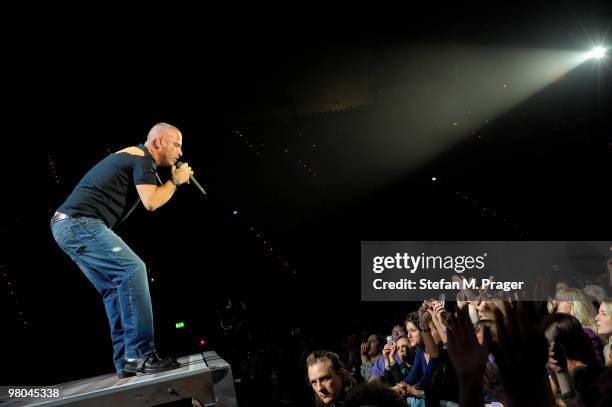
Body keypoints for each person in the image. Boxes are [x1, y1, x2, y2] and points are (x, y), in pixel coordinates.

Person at [50, 123, 193, 378]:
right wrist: (176, 180)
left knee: (114, 289)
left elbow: (152, 191)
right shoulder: (142, 158)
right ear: (159, 142)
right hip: (80, 223)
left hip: (67, 226)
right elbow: (151, 202)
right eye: (177, 144)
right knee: (133, 269)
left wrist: (169, 176)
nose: (181, 151)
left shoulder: (137, 157)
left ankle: (127, 361)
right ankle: (141, 354)